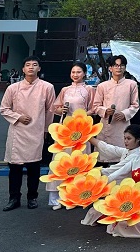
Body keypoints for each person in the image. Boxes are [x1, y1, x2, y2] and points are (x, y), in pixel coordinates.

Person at [0, 56, 56, 211]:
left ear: (39, 68)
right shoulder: (13, 88)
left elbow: (50, 110)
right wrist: (18, 117)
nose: (31, 67)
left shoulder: (47, 87)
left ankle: (32, 197)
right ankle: (14, 198)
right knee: (15, 168)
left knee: (34, 166)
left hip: (36, 131)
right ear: (23, 69)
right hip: (17, 131)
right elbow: (4, 109)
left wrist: (46, 130)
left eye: (34, 64)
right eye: (28, 65)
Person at [95, 131, 140, 237]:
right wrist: (102, 183)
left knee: (130, 224)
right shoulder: (136, 159)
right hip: (132, 196)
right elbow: (119, 173)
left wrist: (134, 195)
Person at [47, 62, 98, 209]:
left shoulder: (89, 89)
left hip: (82, 129)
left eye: (79, 72)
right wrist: (61, 110)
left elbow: (94, 108)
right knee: (61, 160)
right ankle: (57, 198)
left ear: (84, 74)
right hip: (65, 129)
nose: (75, 75)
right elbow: (55, 107)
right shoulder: (65, 90)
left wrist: (82, 115)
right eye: (73, 72)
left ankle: (78, 197)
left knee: (79, 161)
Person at [91, 55, 140, 148]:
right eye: (116, 65)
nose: (119, 68)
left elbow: (135, 105)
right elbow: (96, 106)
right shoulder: (102, 86)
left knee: (122, 150)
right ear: (110, 68)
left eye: (122, 65)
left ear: (125, 68)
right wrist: (106, 111)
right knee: (104, 152)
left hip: (123, 124)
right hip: (106, 123)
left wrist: (124, 114)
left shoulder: (131, 84)